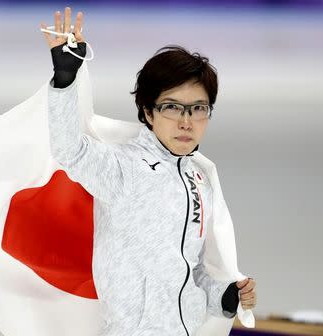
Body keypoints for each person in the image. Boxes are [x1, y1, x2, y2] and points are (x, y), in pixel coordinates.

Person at [41, 7, 257, 336]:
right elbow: (70, 150)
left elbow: (191, 270)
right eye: (172, 107)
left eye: (198, 109)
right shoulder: (123, 168)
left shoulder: (199, 181)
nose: (186, 121)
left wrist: (224, 296)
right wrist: (66, 79)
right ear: (148, 112)